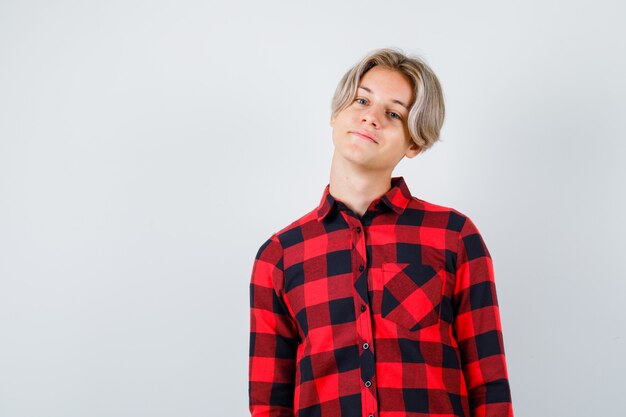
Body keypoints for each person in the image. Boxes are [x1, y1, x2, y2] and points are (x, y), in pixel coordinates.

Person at [248, 48, 513, 417]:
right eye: (361, 100)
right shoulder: (279, 256)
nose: (370, 118)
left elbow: (489, 385)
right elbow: (268, 403)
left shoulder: (454, 237)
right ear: (336, 114)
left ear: (415, 143)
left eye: (393, 113)